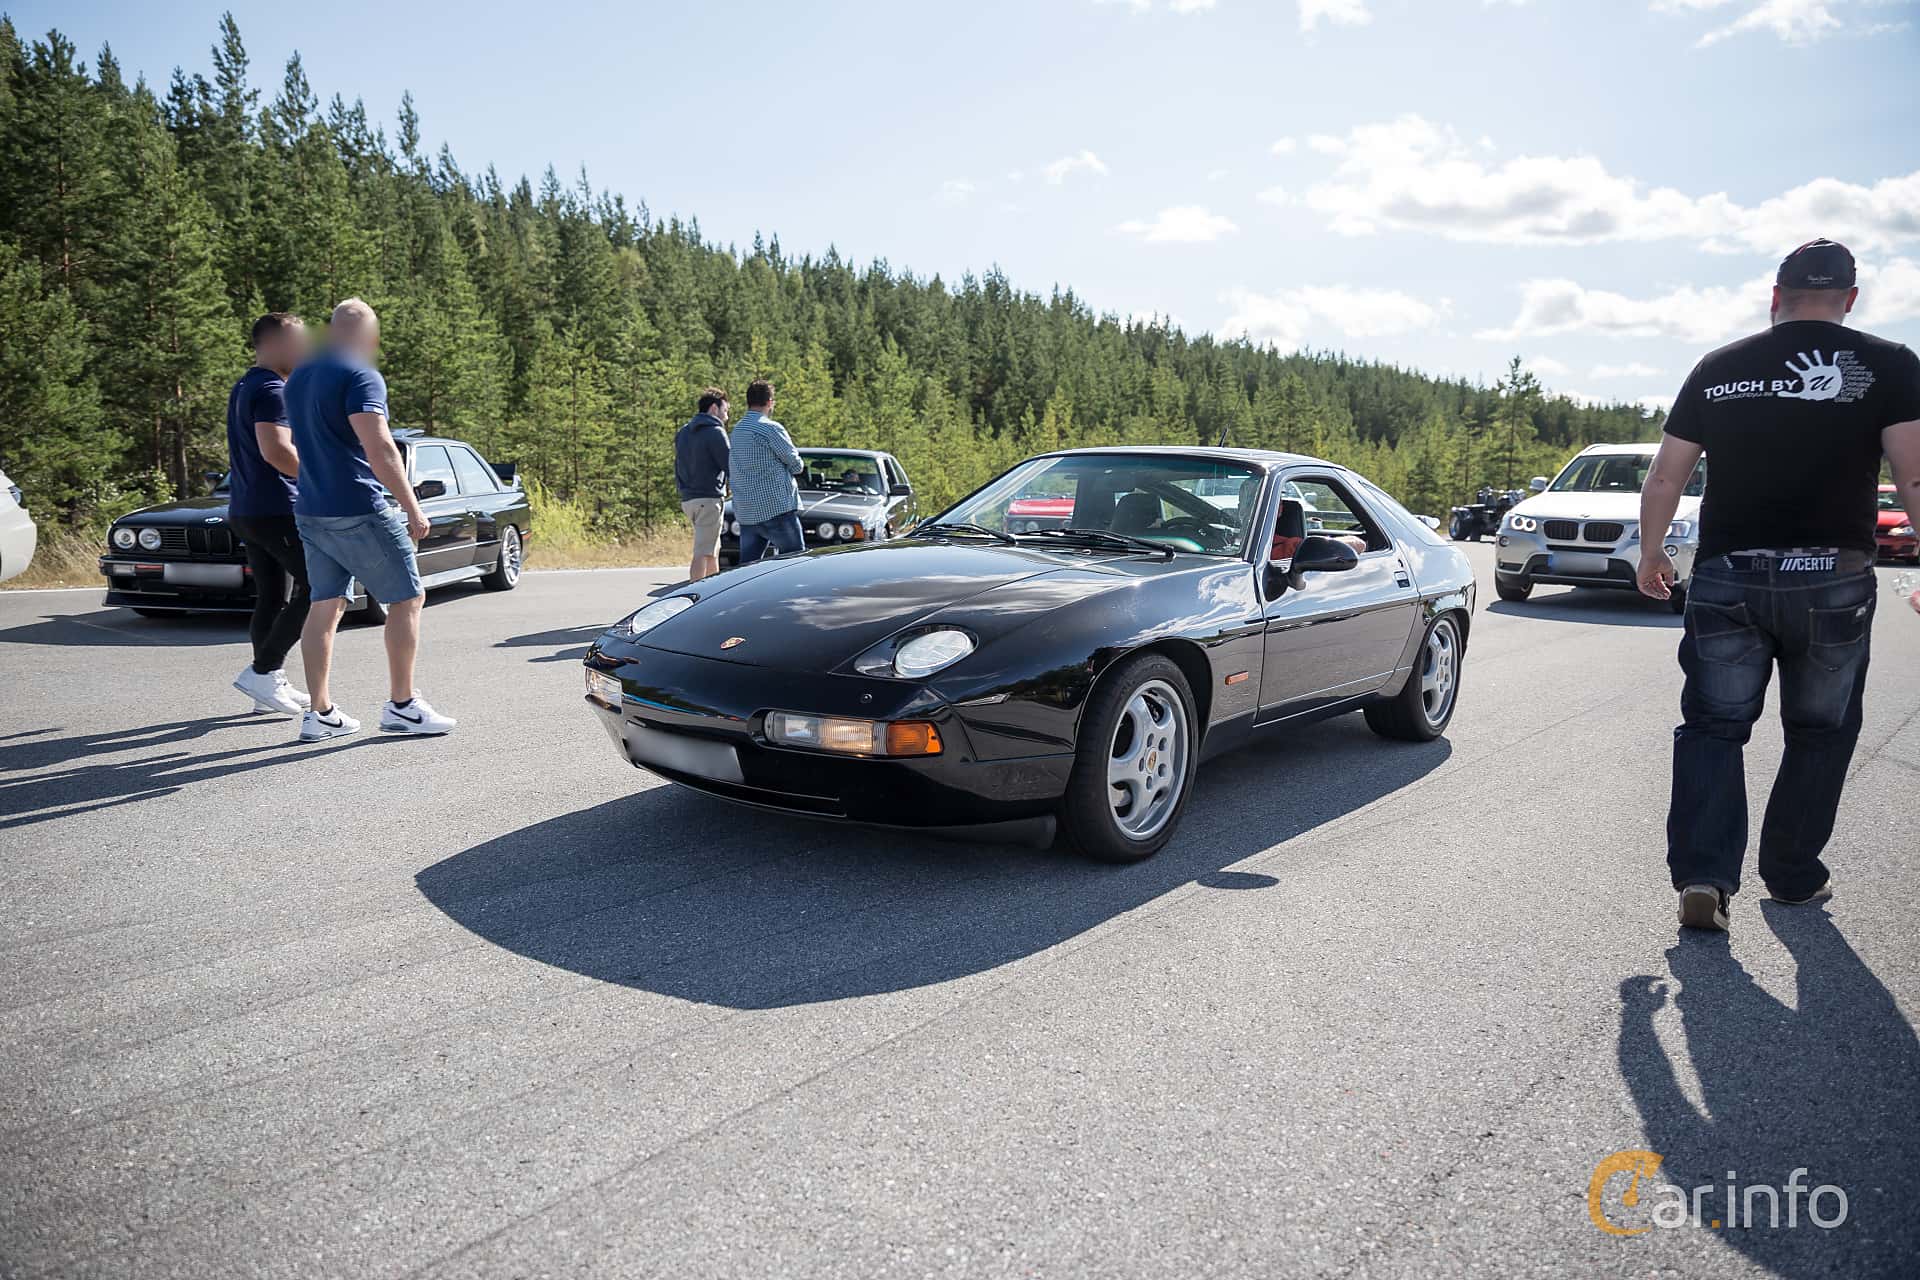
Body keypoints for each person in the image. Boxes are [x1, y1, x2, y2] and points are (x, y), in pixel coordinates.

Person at [1638, 238, 1920, 932]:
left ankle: (1704, 877)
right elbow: (1914, 475)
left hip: (1729, 574)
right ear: (1850, 299)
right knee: (1821, 730)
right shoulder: (1889, 364)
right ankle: (1792, 876)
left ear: (1775, 296)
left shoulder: (1719, 367)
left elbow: (1667, 474)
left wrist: (1651, 551)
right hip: (1833, 580)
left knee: (1713, 727)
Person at [286, 298, 455, 742]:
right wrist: (413, 507)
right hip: (357, 507)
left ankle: (319, 713)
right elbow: (378, 446)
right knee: (408, 598)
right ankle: (402, 706)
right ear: (368, 336)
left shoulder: (300, 375)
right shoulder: (360, 375)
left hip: (311, 508)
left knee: (325, 605)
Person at [225, 312, 313, 716]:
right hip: (277, 508)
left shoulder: (246, 384)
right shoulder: (273, 389)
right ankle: (264, 672)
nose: (306, 350)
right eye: (299, 342)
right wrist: (319, 480)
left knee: (273, 597)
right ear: (274, 344)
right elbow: (276, 450)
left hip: (248, 509)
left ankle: (267, 687)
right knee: (319, 589)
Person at [728, 380, 806, 562]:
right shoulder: (771, 428)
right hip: (776, 509)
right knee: (794, 562)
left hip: (747, 512)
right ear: (770, 402)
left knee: (748, 568)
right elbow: (796, 465)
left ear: (748, 401)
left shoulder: (737, 430)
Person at [673, 387, 731, 580]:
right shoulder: (715, 432)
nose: (726, 417)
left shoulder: (684, 432)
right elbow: (729, 465)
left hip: (689, 499)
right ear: (714, 408)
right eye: (725, 410)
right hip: (709, 499)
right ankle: (695, 591)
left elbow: (678, 465)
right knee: (703, 552)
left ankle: (714, 591)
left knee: (712, 550)